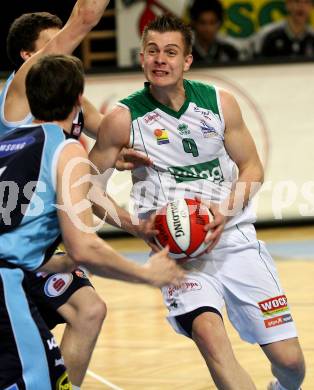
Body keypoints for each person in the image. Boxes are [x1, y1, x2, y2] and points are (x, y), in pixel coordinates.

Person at [89, 15, 306, 390]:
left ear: (187, 60)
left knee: (291, 364)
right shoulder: (123, 119)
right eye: (153, 51)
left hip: (235, 239)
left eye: (171, 52)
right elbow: (88, 185)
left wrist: (223, 211)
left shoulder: (220, 104)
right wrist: (130, 223)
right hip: (177, 254)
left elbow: (251, 167)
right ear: (141, 58)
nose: (161, 60)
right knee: (209, 336)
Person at [0, 53, 184, 389]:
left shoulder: (8, 144)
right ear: (77, 102)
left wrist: (64, 261)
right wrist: (145, 275)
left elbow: (14, 241)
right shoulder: (66, 149)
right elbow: (84, 247)